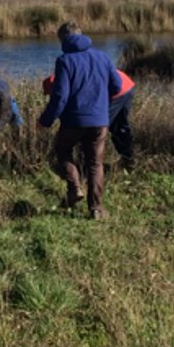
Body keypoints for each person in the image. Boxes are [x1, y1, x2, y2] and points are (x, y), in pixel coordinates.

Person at [37, 22, 122, 220]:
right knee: (95, 164)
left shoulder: (64, 61)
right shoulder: (102, 56)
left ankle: (75, 188)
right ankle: (96, 209)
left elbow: (60, 97)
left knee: (62, 150)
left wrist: (45, 121)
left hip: (73, 121)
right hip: (99, 121)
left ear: (63, 39)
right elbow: (117, 86)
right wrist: (101, 103)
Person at [44, 67, 134, 169]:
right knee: (118, 128)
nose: (51, 97)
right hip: (126, 85)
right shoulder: (70, 78)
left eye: (51, 94)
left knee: (93, 128)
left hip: (116, 90)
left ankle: (87, 166)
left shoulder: (71, 84)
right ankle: (129, 161)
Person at [107, 69, 136, 170]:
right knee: (119, 126)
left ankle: (87, 163)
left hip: (118, 88)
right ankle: (129, 160)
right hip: (125, 84)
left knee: (95, 127)